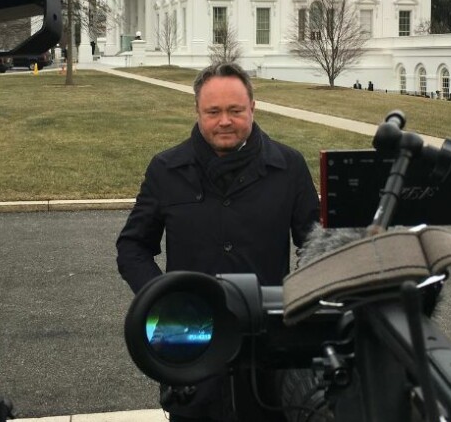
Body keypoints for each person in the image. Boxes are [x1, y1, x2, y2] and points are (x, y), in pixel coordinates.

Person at [116, 62, 320, 421]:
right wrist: (164, 300)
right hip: (190, 342)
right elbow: (132, 247)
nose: (225, 121)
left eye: (235, 111)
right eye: (213, 112)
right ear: (197, 111)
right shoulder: (166, 169)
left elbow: (317, 243)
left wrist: (300, 301)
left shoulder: (289, 167)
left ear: (252, 109)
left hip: (268, 341)